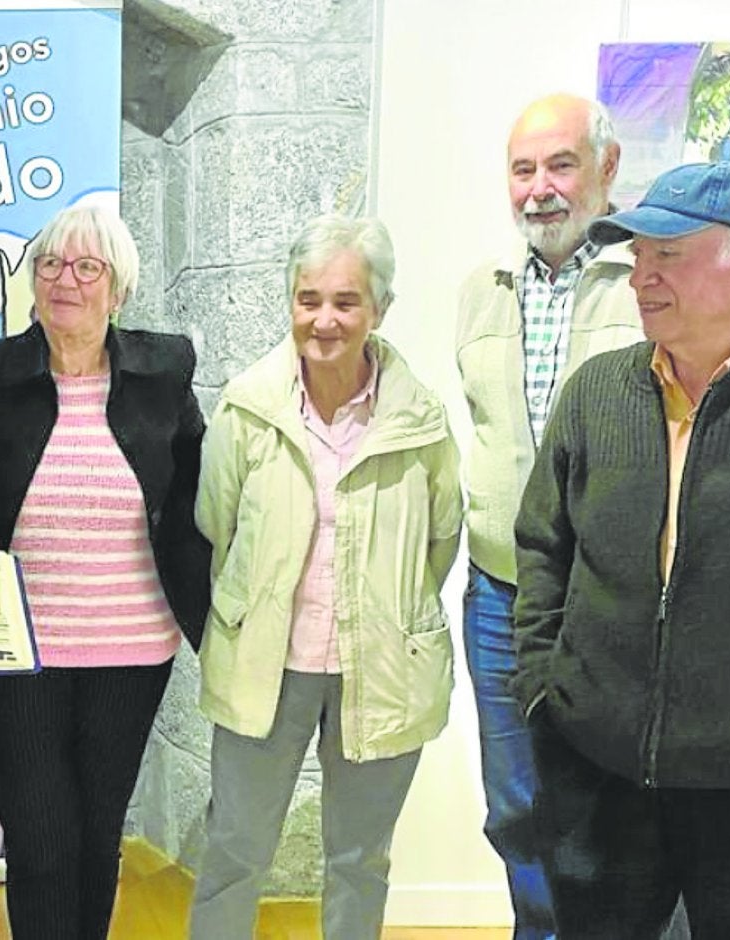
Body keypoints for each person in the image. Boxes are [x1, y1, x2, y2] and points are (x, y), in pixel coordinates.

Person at [512, 162, 730, 938]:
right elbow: (542, 551)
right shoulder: (596, 392)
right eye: (638, 254)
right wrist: (544, 691)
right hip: (597, 765)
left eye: (668, 254)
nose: (641, 275)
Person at [188, 214, 463, 939]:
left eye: (346, 301)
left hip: (380, 668)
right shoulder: (247, 407)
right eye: (309, 299)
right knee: (234, 851)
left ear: (380, 309)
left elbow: (440, 540)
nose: (325, 319)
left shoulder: (421, 420)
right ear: (290, 302)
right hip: (267, 664)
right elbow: (217, 525)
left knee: (359, 858)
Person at [0, 204, 209, 940]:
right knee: (41, 842)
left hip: (131, 653)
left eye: (88, 267)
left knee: (97, 838)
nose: (66, 280)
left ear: (117, 290)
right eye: (52, 264)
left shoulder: (162, 376)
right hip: (14, 654)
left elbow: (199, 500)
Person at [455, 92, 643, 939]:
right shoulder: (480, 293)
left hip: (615, 601)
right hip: (500, 598)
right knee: (516, 806)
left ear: (606, 168)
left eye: (561, 165)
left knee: (614, 806)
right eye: (523, 170)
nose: (540, 189)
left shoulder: (648, 283)